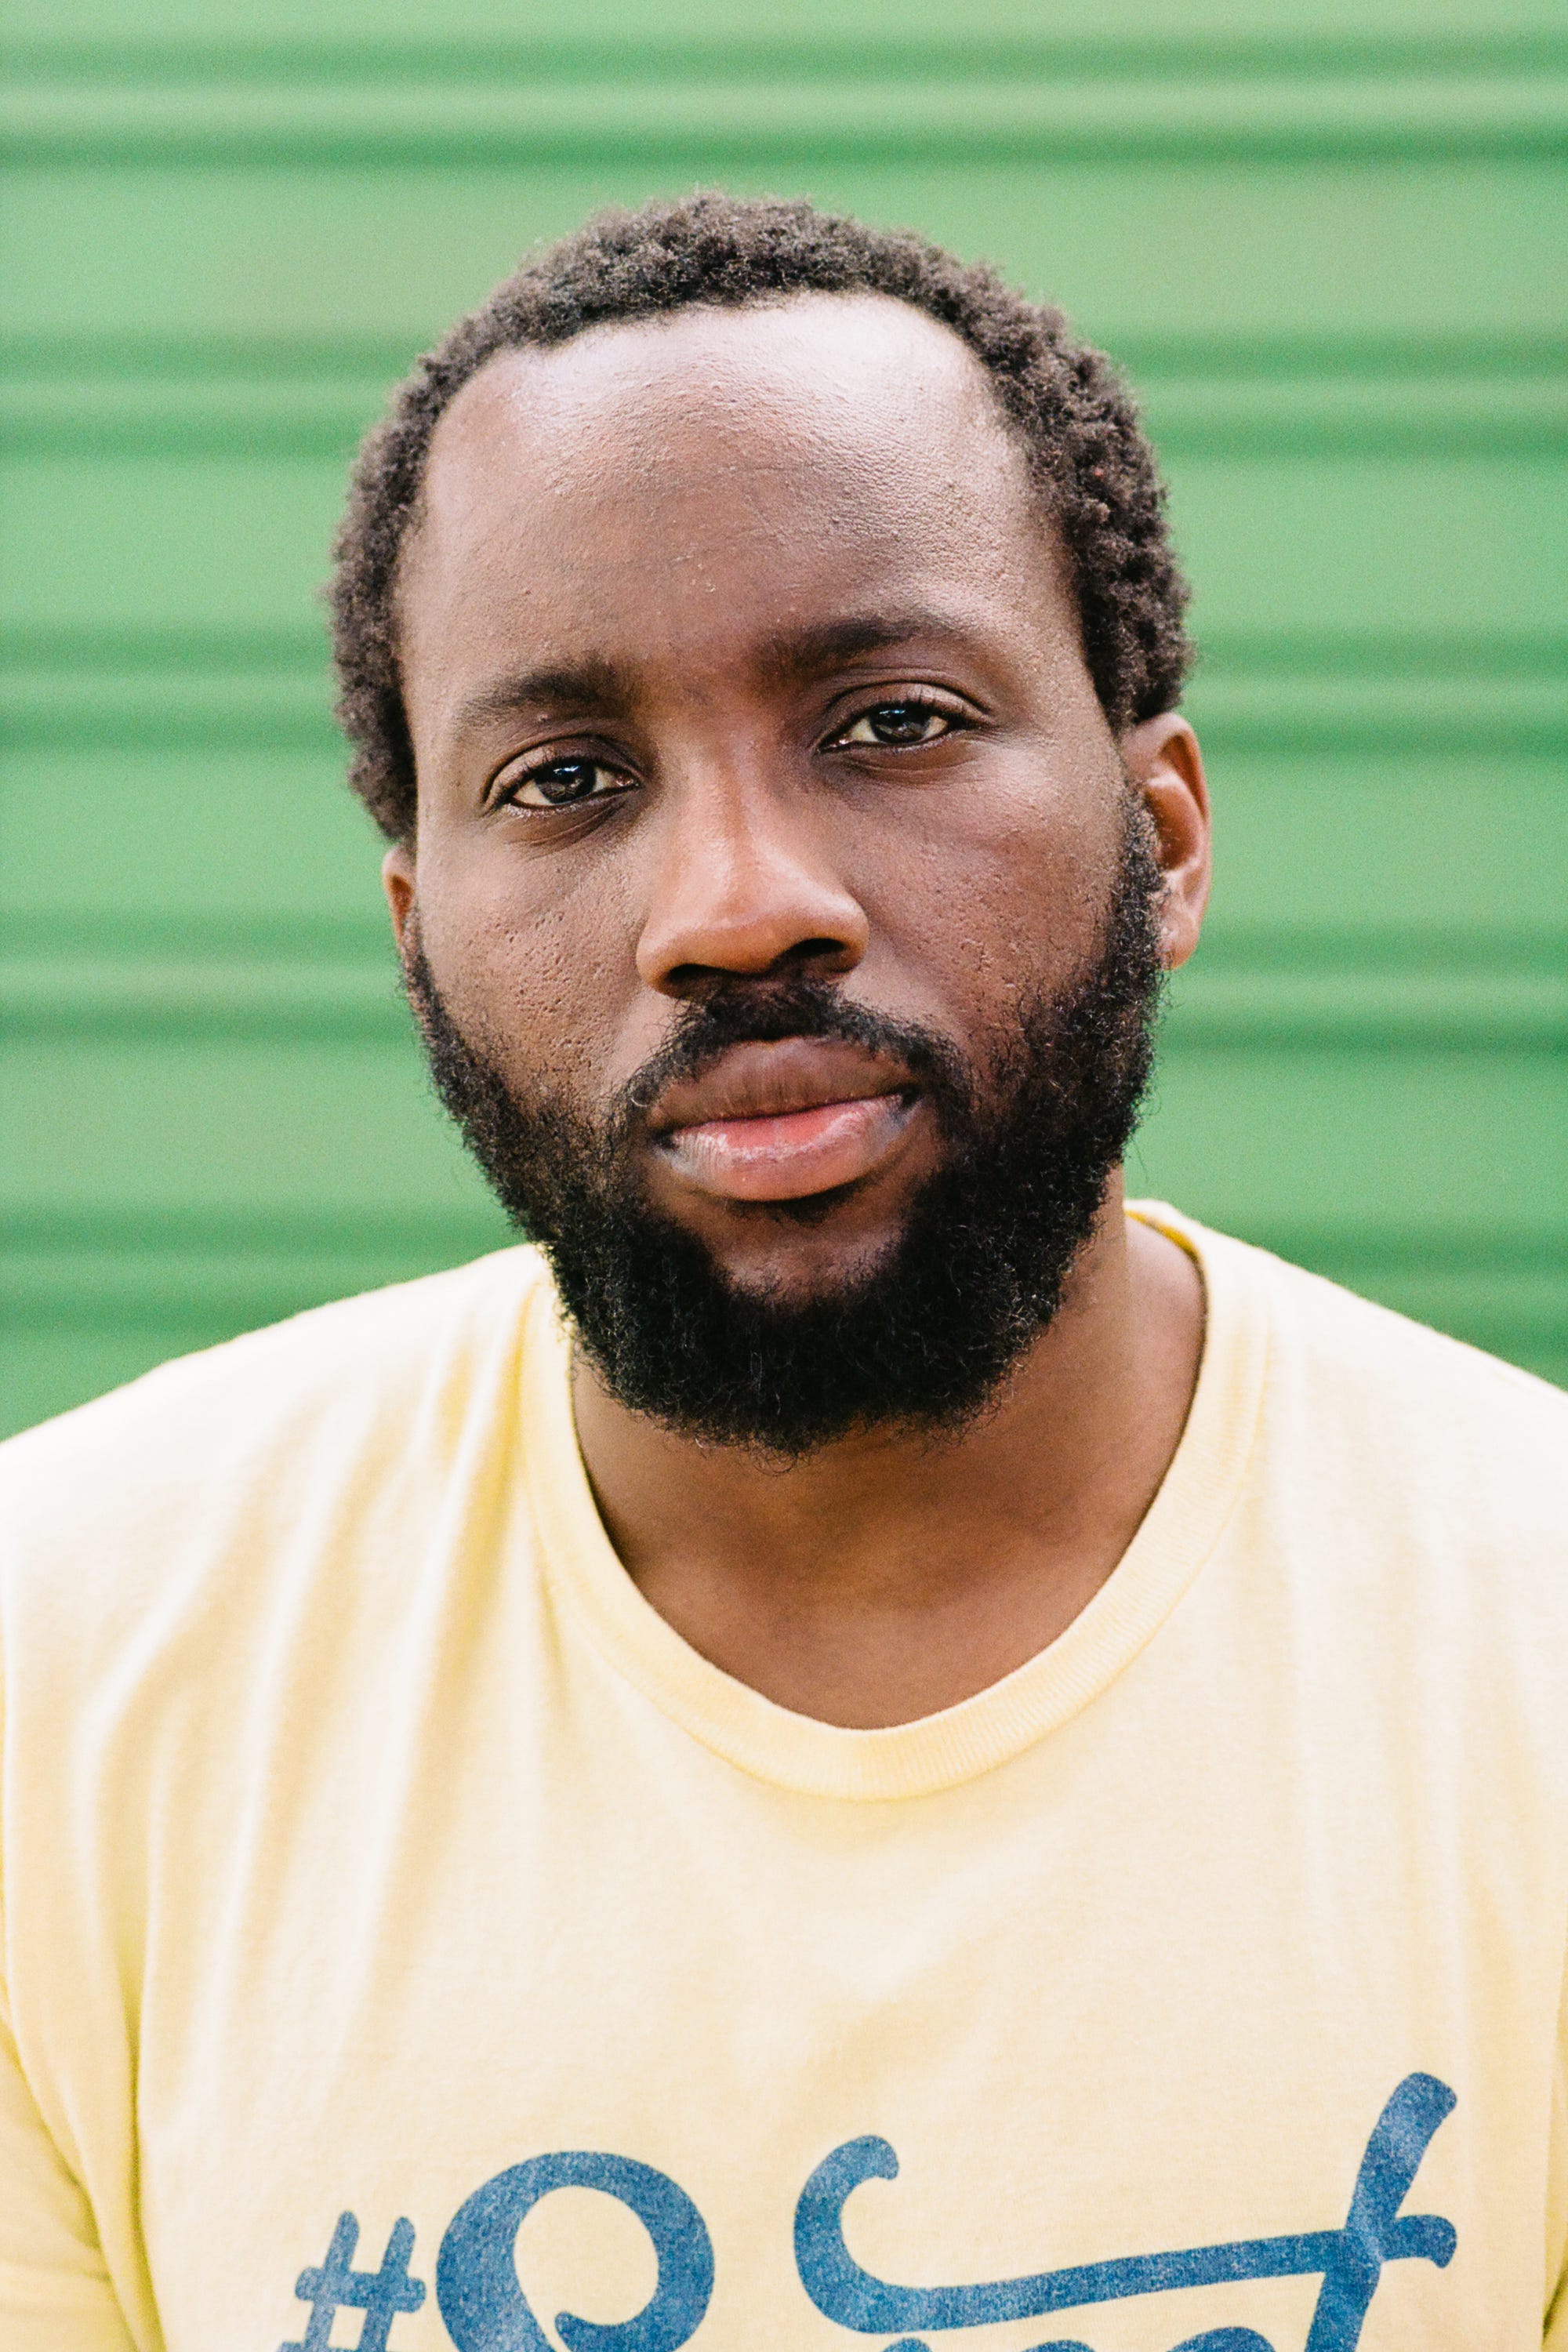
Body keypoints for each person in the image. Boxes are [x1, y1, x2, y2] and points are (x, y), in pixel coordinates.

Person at [0, 192, 1563, 2352]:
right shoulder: (58, 1668)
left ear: (1167, 836)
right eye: (566, 780)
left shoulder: (1530, 1652)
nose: (736, 906)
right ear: (415, 941)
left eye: (895, 720)